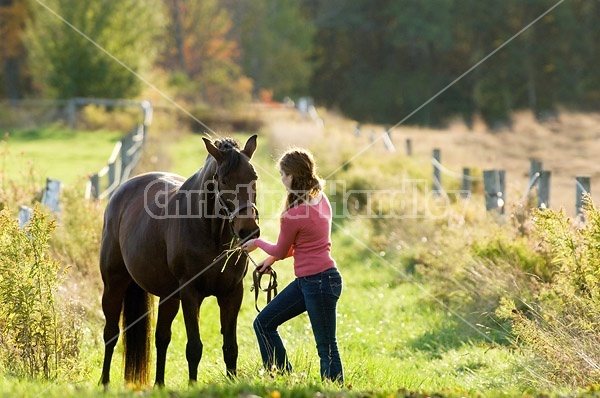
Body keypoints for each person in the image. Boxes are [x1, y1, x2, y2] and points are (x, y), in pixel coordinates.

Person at [242, 148, 344, 383]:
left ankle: (335, 390)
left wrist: (257, 242)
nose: (281, 180)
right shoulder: (320, 198)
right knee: (264, 323)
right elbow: (302, 244)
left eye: (282, 175)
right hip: (311, 282)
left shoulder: (294, 214)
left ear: (293, 175)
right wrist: (270, 261)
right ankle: (282, 378)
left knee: (326, 347)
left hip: (318, 282)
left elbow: (280, 248)